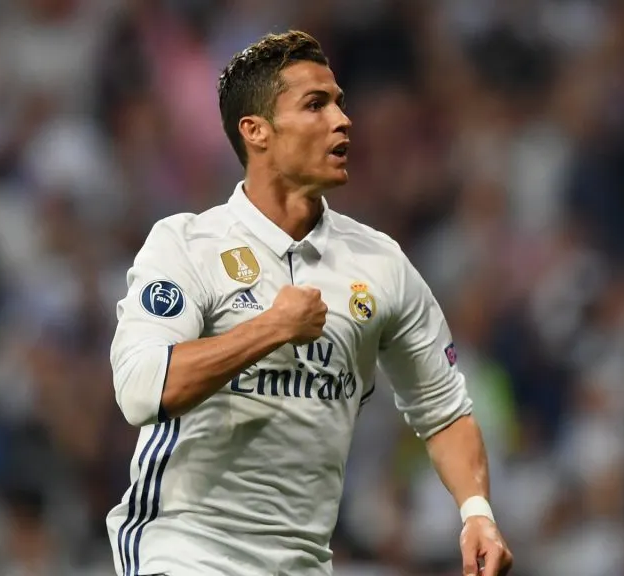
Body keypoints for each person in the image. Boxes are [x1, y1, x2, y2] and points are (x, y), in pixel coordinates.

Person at [105, 30, 513, 576]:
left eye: (340, 103)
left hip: (302, 564)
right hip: (184, 552)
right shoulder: (187, 245)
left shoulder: (381, 263)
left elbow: (444, 410)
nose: (342, 120)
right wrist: (269, 328)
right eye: (315, 105)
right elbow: (140, 390)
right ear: (257, 132)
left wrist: (476, 512)